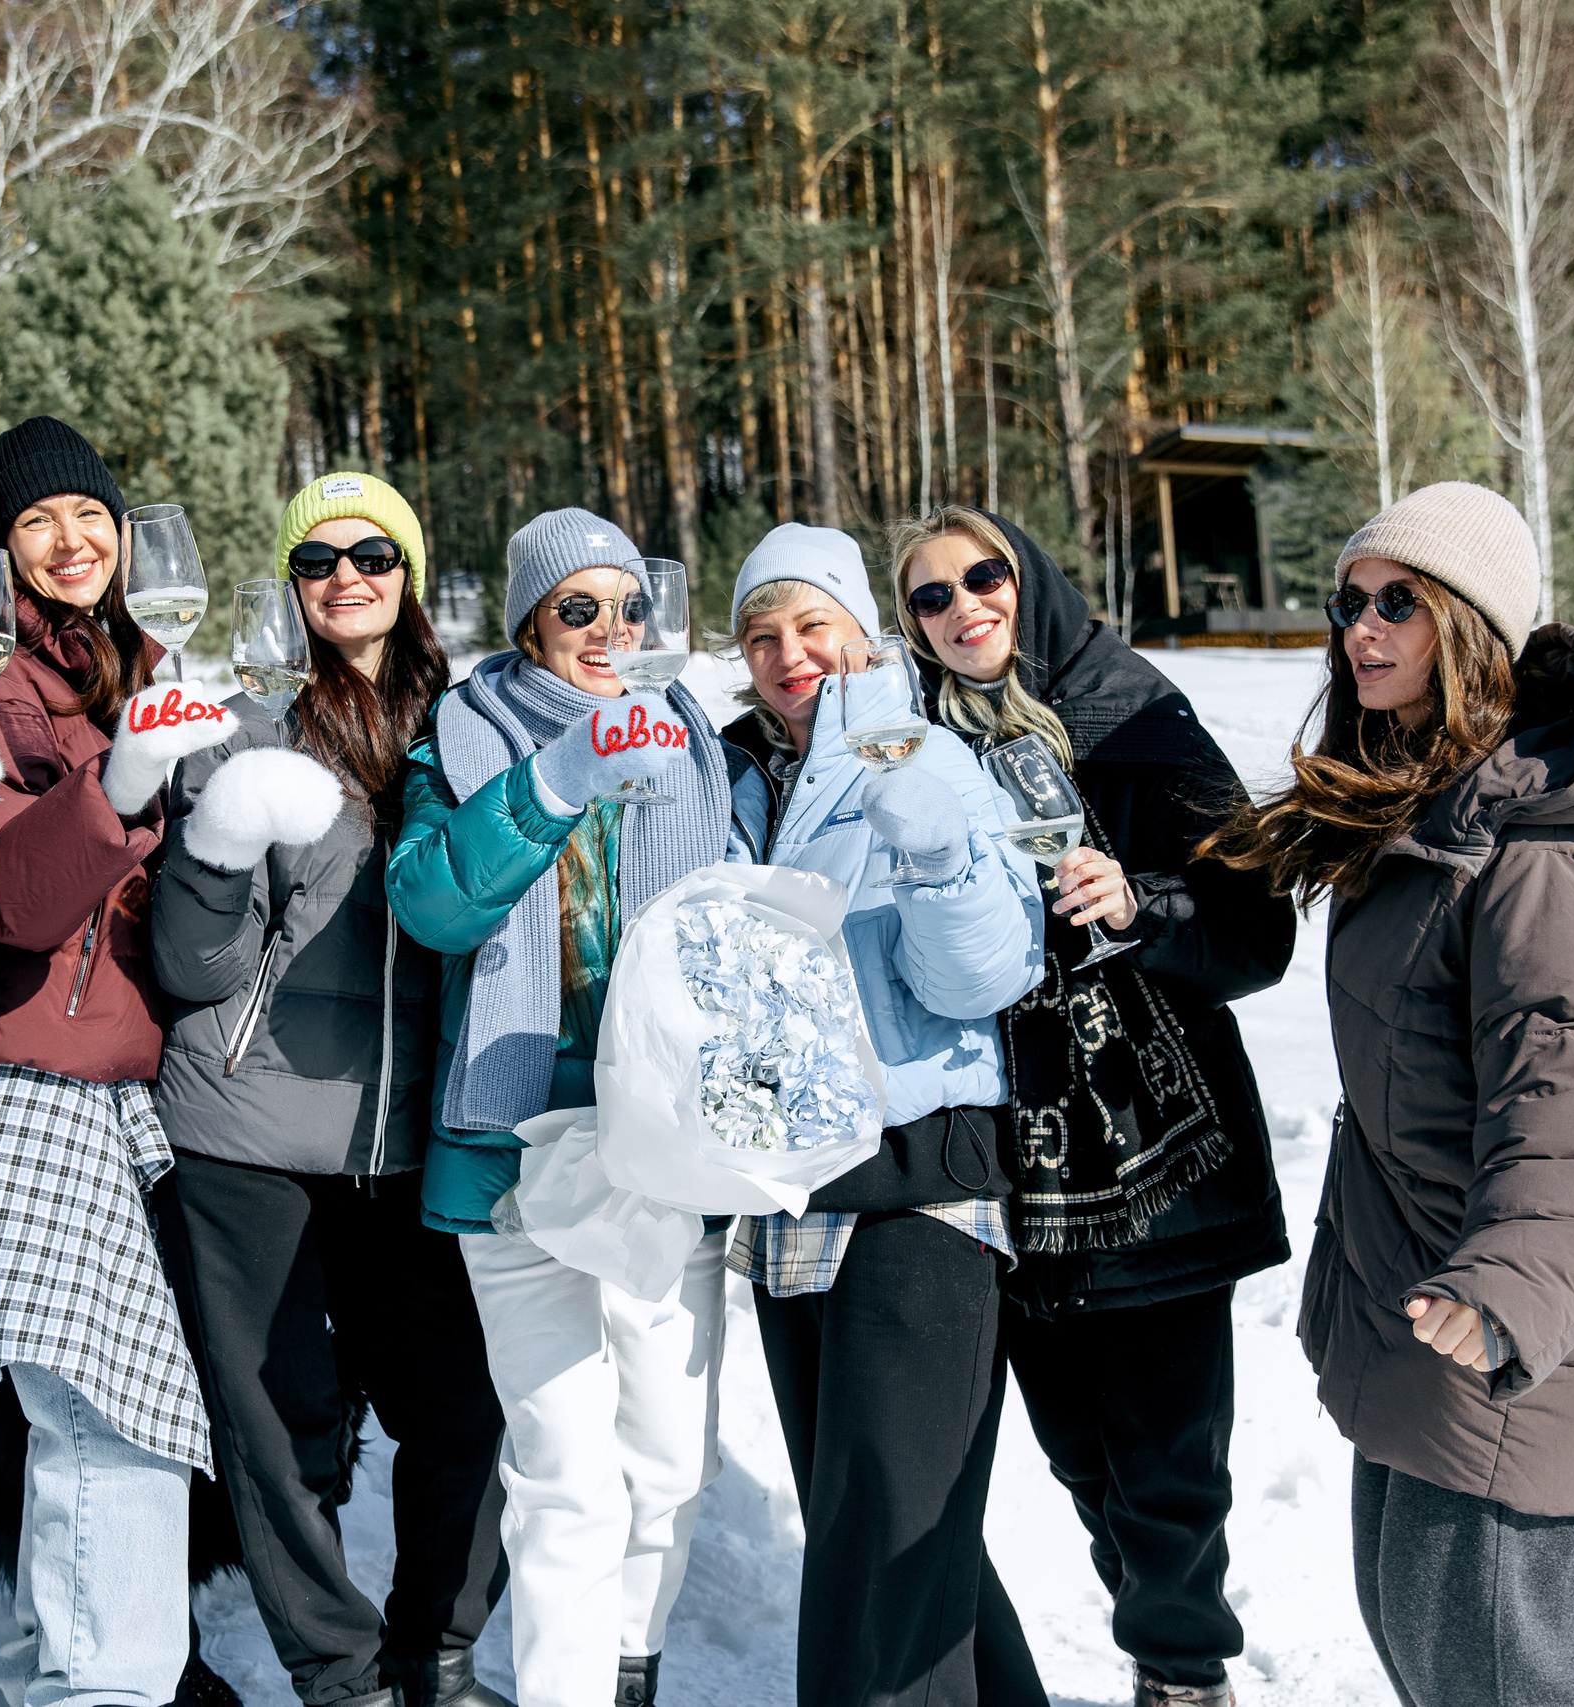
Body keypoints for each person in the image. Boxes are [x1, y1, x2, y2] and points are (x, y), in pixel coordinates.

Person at [1202, 482, 1574, 1707]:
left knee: (1495, 1677)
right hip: (1428, 1304)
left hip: (1510, 1326)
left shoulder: (1539, 861)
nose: (1362, 629)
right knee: (1431, 1647)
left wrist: (1510, 1286)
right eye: (1350, 601)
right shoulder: (1432, 805)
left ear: (1468, 626)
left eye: (1398, 604)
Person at [893, 507, 1293, 1707]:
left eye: (985, 576)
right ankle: (1162, 1640)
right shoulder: (907, 750)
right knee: (1078, 1455)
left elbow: (1255, 929)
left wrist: (1138, 902)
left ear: (1031, 580)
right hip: (1011, 1159)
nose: (965, 605)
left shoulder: (1135, 715)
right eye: (929, 595)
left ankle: (1181, 1672)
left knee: (1170, 1459)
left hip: (1156, 1149)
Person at [152, 472, 511, 1707]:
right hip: (251, 1118)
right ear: (291, 587)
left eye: (374, 553)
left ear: (409, 576)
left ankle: (436, 1655)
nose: (346, 575)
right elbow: (193, 963)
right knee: (283, 1428)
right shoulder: (242, 724)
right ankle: (340, 1674)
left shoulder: (467, 725)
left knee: (462, 1410)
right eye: (317, 560)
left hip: (414, 1132)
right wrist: (215, 832)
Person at [386, 508, 741, 1707]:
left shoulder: (697, 744)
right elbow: (433, 905)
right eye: (577, 610)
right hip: (512, 1150)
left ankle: (625, 1668)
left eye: (627, 607)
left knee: (663, 1463)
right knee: (564, 1473)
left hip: (660, 1153)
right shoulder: (469, 737)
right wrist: (555, 782)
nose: (609, 631)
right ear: (531, 627)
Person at [0, 416, 249, 1707]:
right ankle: (100, 1685)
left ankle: (96, 1667)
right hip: (25, 1092)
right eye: (37, 522)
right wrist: (116, 789)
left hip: (132, 1099)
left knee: (107, 1414)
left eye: (91, 518)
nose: (71, 541)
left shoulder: (137, 674)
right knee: (102, 1420)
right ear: (2, 548)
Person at [718, 524, 1047, 1707]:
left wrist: (942, 859)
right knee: (891, 1537)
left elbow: (983, 981)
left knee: (883, 1554)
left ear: (860, 634)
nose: (787, 654)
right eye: (761, 634)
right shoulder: (734, 776)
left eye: (812, 627)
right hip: (791, 1201)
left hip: (919, 1196)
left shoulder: (928, 761)